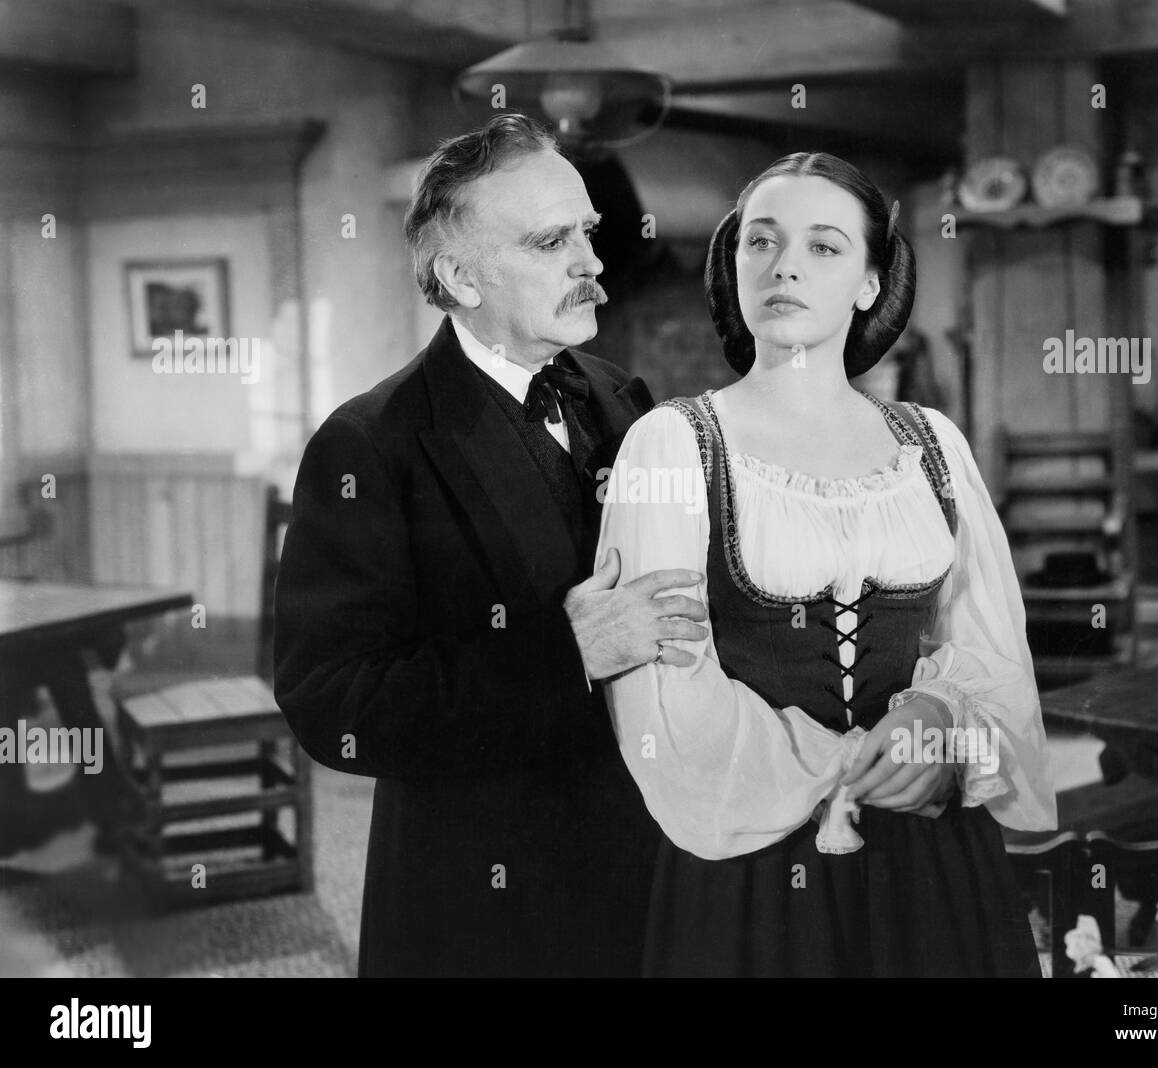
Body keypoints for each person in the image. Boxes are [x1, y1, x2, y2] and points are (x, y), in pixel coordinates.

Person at [596, 151, 1058, 977]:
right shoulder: (671, 444)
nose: (785, 267)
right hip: (752, 868)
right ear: (733, 268)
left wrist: (944, 726)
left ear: (871, 283)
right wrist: (844, 765)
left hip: (929, 859)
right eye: (761, 243)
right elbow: (664, 702)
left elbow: (995, 652)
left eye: (824, 246)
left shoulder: (932, 447)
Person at [273, 114, 705, 977]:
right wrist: (565, 654)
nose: (591, 262)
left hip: (644, 863)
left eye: (587, 232)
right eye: (552, 242)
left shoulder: (625, 399)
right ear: (458, 277)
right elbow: (331, 701)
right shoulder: (371, 444)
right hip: (482, 898)